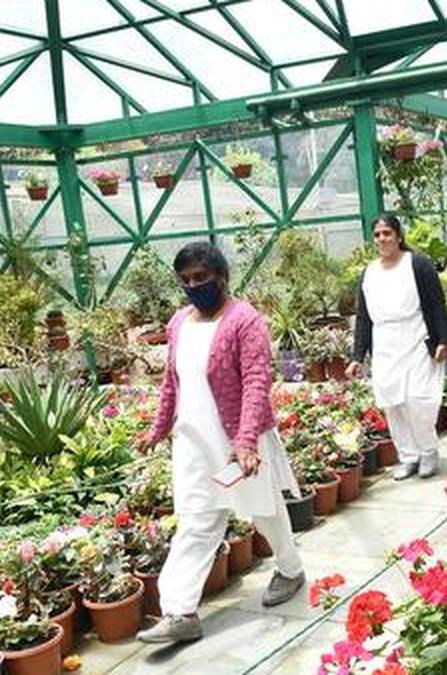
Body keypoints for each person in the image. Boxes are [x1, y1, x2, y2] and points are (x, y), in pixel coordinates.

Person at [137, 242, 304, 644]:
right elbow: (171, 384)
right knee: (197, 518)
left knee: (262, 511)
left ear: (222, 278)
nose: (194, 286)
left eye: (202, 278)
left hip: (237, 441)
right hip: (194, 442)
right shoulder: (179, 323)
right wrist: (157, 429)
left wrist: (246, 441)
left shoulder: (245, 320)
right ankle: (179, 611)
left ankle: (291, 569)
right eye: (186, 280)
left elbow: (256, 382)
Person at [347, 213, 447, 480]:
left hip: (416, 337)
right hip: (385, 343)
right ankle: (408, 456)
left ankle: (428, 451)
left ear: (398, 236)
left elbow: (437, 304)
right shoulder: (369, 273)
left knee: (418, 399)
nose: (382, 239)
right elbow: (363, 318)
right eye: (378, 235)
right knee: (392, 403)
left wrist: (442, 339)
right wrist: (357, 356)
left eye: (387, 233)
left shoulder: (418, 265)